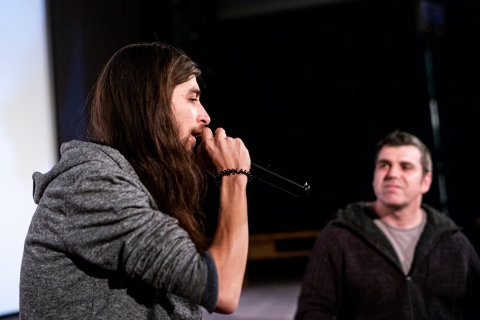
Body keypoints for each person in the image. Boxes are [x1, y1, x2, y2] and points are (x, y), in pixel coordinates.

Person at [20, 43, 250, 319]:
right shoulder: (92, 183)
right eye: (192, 99)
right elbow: (223, 289)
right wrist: (234, 177)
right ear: (151, 105)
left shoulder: (136, 185)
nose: (206, 116)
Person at [295, 130, 480, 319]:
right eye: (384, 165)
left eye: (406, 167)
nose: (392, 174)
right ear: (374, 176)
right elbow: (312, 311)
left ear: (426, 181)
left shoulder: (455, 243)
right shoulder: (339, 238)